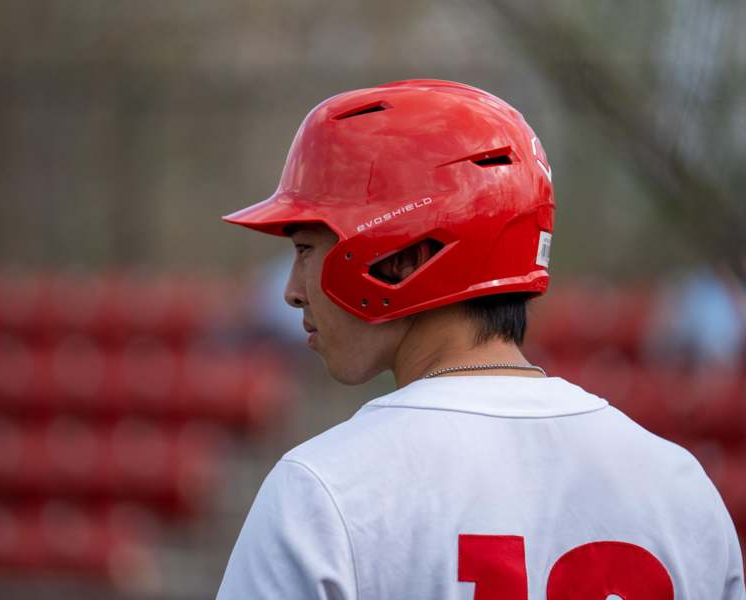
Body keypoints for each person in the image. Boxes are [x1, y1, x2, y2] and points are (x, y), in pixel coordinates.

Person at [217, 79, 745, 599]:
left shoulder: (323, 492)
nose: (292, 292)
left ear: (402, 255)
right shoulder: (681, 489)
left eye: (307, 250)